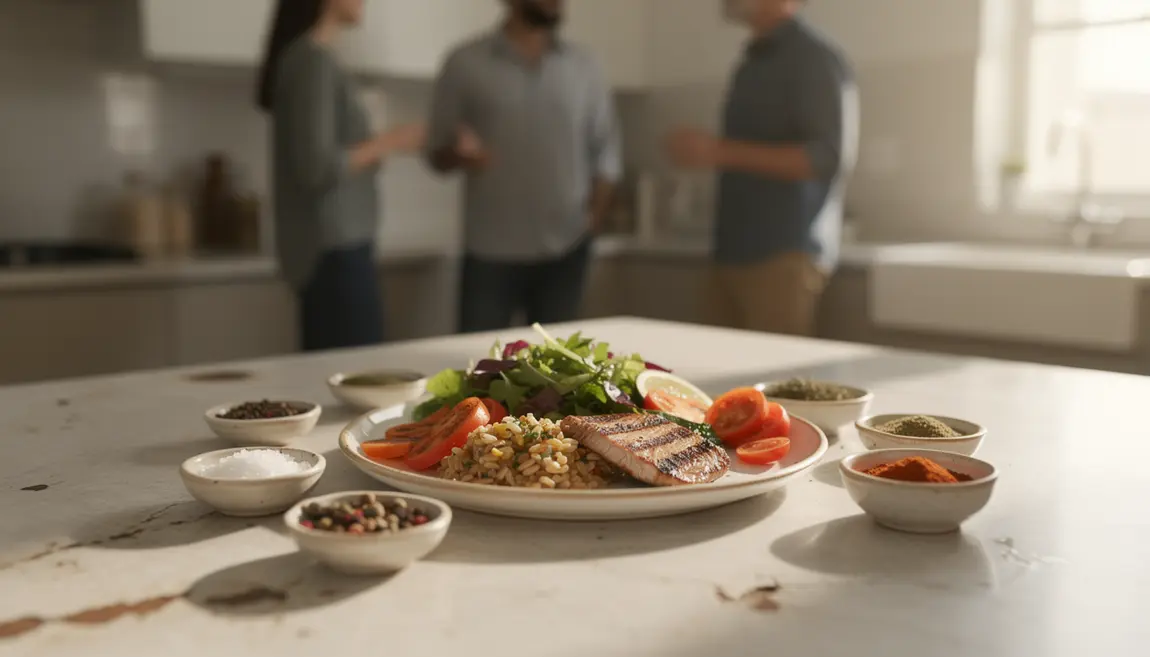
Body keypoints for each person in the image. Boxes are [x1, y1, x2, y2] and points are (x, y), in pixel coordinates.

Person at [426, 0, 621, 333]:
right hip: (490, 252)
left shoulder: (585, 67)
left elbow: (606, 152)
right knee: (478, 369)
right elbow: (436, 152)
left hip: (567, 250)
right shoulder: (465, 63)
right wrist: (460, 154)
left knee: (558, 377)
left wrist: (594, 219)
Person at [666, 0, 857, 337]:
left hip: (782, 259)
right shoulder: (753, 60)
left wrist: (718, 151)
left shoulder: (813, 56)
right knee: (716, 382)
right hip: (732, 253)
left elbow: (826, 157)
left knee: (773, 386)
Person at [256, 0, 425, 351]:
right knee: (356, 373)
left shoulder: (312, 59)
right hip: (334, 252)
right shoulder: (313, 60)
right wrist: (389, 142)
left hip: (334, 249)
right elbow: (316, 167)